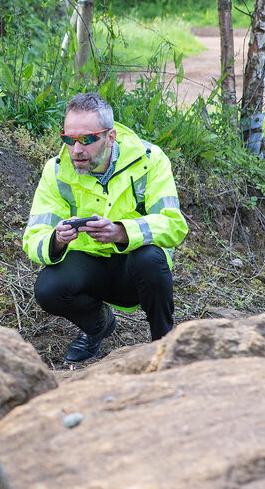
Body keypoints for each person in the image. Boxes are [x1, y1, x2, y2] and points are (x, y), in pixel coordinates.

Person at [23, 92, 188, 362]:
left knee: (151, 258)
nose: (76, 150)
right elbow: (33, 237)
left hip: (135, 268)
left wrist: (123, 231)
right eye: (68, 140)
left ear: (110, 137)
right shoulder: (55, 171)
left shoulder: (150, 159)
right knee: (48, 288)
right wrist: (57, 239)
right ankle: (98, 326)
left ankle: (164, 342)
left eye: (87, 140)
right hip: (88, 267)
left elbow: (173, 225)